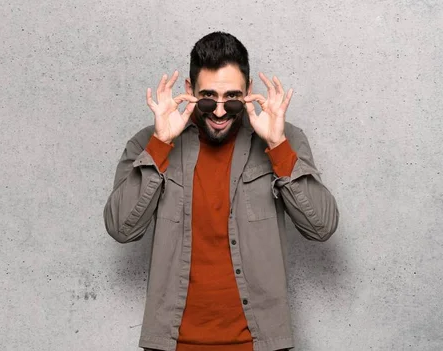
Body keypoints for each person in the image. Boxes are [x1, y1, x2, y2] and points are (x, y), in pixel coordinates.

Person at [103, 31, 339, 351]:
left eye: (231, 97)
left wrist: (278, 146)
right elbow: (121, 228)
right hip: (173, 343)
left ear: (248, 91)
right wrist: (160, 145)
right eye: (207, 97)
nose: (218, 111)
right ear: (189, 90)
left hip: (258, 343)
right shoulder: (150, 142)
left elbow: (321, 227)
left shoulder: (284, 138)